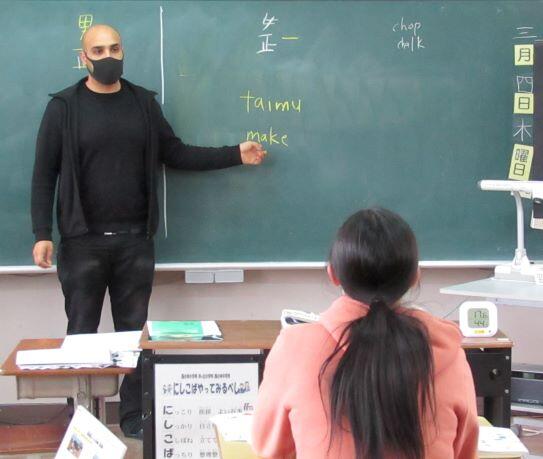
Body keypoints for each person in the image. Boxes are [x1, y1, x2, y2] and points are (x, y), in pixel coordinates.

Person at [30, 24, 266, 439]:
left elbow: (175, 152)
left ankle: (133, 415)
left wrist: (234, 154)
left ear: (123, 51)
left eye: (114, 48)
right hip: (82, 242)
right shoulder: (63, 108)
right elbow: (43, 173)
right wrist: (41, 233)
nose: (108, 56)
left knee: (134, 335)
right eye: (98, 50)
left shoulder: (143, 103)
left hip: (135, 240)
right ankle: (81, 422)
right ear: (83, 58)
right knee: (81, 332)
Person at [252, 208, 479, 459]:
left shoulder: (294, 347)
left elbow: (270, 448)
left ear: (333, 274)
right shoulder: (447, 352)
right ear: (415, 276)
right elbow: (463, 451)